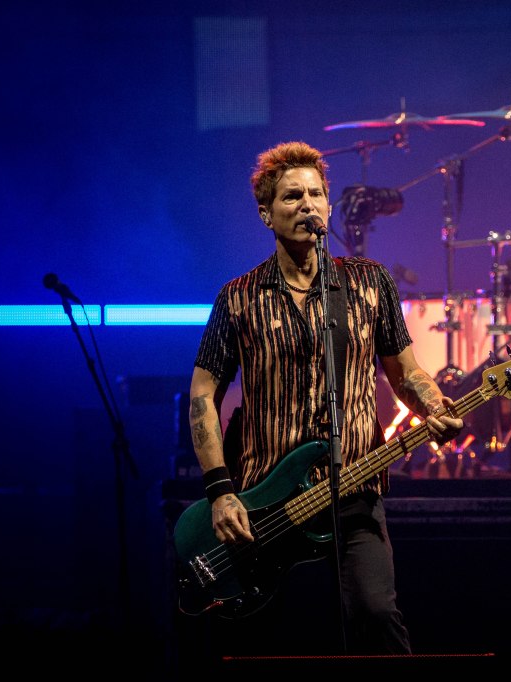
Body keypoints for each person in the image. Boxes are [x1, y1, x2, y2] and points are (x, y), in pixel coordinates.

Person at [186, 140, 463, 663]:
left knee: (376, 614)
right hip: (266, 507)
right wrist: (220, 492)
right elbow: (203, 394)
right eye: (292, 196)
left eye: (315, 194)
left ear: (329, 208)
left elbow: (406, 373)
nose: (307, 204)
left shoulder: (370, 283)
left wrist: (432, 406)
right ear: (266, 213)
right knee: (268, 641)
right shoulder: (238, 298)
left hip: (355, 491)